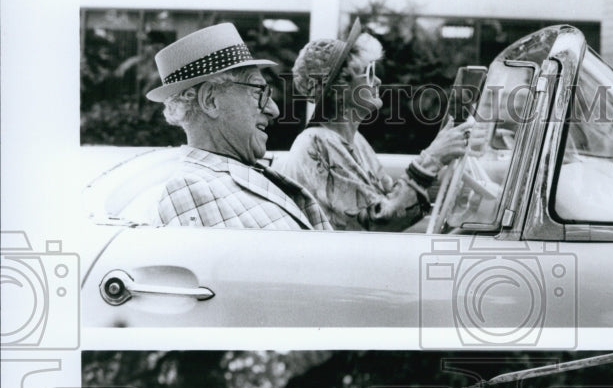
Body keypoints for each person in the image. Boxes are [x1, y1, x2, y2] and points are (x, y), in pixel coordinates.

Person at [279, 18, 471, 231]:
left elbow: (392, 196)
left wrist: (445, 156)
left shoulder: (353, 140)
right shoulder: (316, 143)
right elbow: (379, 221)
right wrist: (432, 158)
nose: (378, 81)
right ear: (339, 89)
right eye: (369, 73)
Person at [145, 22, 331, 231]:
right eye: (259, 92)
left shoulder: (234, 173)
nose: (274, 110)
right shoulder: (191, 188)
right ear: (210, 100)